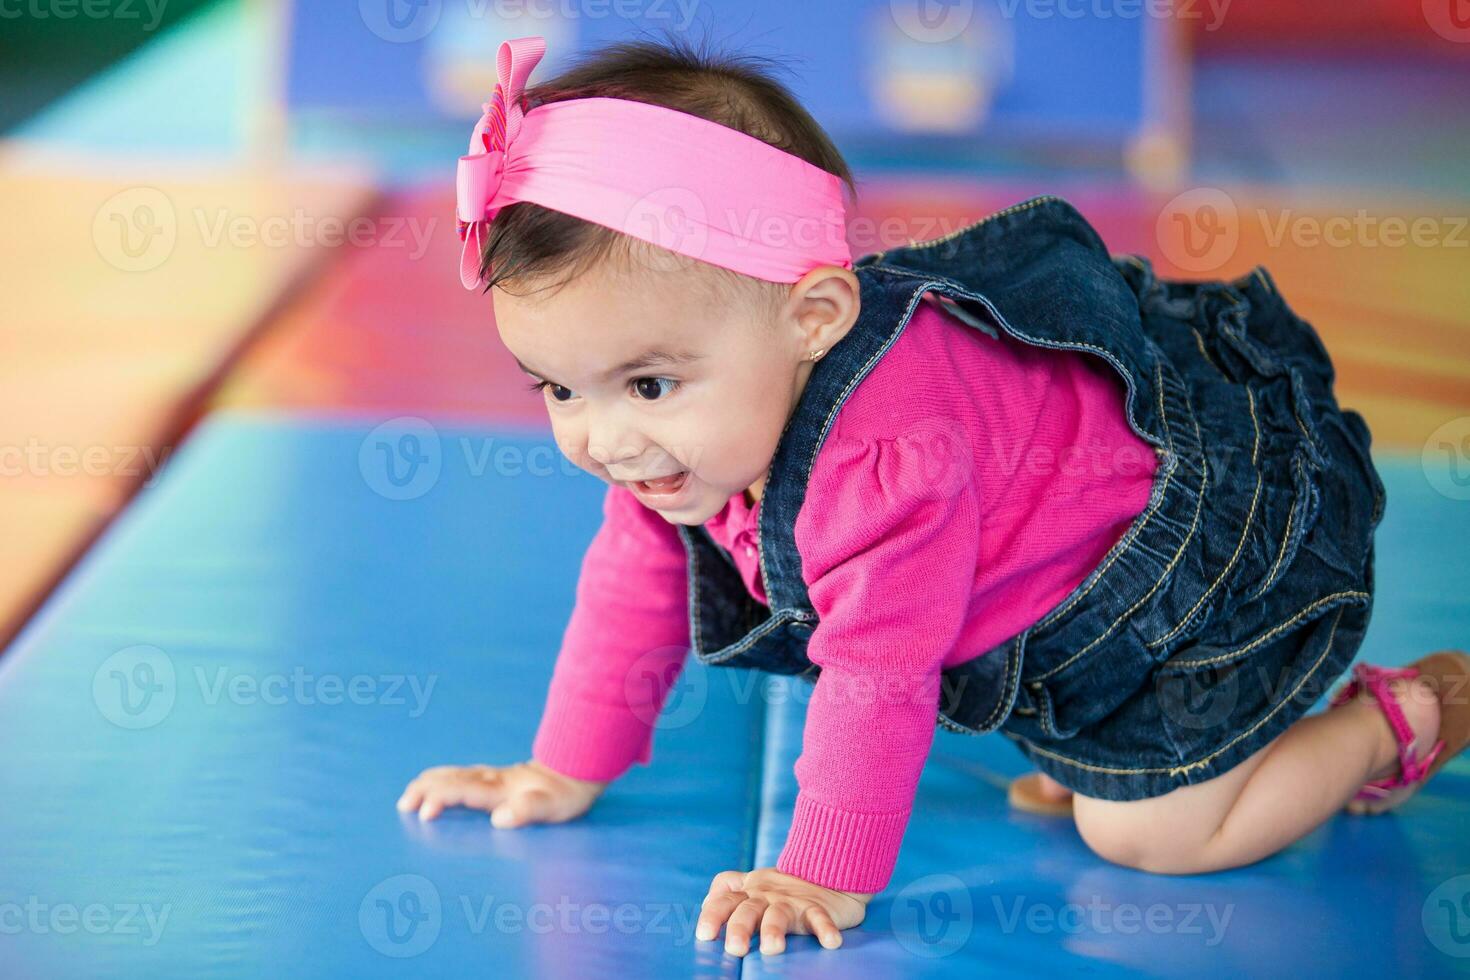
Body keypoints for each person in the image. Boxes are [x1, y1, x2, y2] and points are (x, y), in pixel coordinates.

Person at [396, 34, 1470, 959]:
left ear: (814, 315)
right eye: (555, 387)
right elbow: (633, 575)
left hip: (1191, 583)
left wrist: (822, 871)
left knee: (1150, 838)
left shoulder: (885, 460)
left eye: (646, 383)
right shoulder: (688, 435)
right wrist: (562, 764)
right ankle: (1113, 741)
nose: (600, 436)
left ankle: (1400, 718)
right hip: (1050, 592)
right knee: (1093, 782)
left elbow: (878, 674)